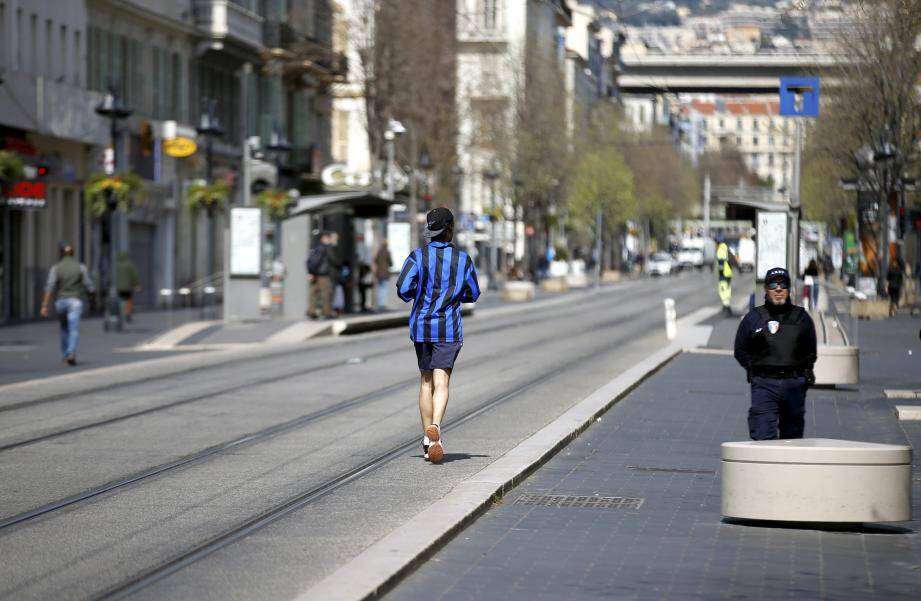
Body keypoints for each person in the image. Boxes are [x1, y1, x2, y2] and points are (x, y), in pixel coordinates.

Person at [396, 208, 480, 464]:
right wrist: (455, 297)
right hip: (449, 328)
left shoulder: (417, 257)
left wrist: (418, 296)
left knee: (425, 381)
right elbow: (473, 293)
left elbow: (403, 289)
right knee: (442, 383)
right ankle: (436, 428)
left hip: (421, 327)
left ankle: (427, 438)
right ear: (450, 229)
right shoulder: (463, 260)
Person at [733, 267, 818, 440]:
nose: (778, 289)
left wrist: (802, 374)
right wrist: (754, 367)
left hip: (794, 385)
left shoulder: (801, 318)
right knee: (763, 438)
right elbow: (740, 349)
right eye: (773, 284)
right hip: (764, 385)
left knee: (792, 441)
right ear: (766, 289)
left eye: (783, 284)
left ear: (789, 289)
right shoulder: (753, 318)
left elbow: (811, 351)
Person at [39, 243, 95, 366]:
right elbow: (89, 286)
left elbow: (49, 287)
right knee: (73, 329)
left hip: (61, 302)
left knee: (64, 329)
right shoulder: (81, 267)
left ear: (61, 254)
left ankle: (65, 355)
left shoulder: (56, 268)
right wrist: (92, 301)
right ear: (73, 253)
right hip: (75, 301)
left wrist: (44, 305)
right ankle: (71, 352)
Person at [307, 231, 340, 319]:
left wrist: (311, 272)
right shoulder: (327, 247)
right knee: (326, 293)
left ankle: (312, 311)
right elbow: (334, 260)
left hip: (314, 273)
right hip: (323, 274)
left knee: (314, 293)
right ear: (326, 238)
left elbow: (311, 261)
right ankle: (327, 312)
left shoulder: (316, 247)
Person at [115, 251, 140, 322]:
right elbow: (134, 275)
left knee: (120, 300)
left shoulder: (117, 265)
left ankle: (120, 312)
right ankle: (127, 313)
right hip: (127, 287)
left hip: (119, 287)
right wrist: (136, 284)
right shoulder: (129, 265)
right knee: (129, 300)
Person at [716, 236, 733, 315]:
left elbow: (721, 261)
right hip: (729, 272)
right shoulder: (726, 247)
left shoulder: (720, 249)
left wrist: (720, 271)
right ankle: (726, 304)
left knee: (722, 289)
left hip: (723, 273)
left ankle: (726, 305)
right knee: (728, 289)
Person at [374, 240, 393, 311]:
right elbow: (391, 263)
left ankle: (380, 303)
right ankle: (383, 304)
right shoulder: (387, 252)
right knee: (384, 288)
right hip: (385, 273)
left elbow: (375, 260)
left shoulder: (379, 252)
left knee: (379, 288)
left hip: (379, 273)